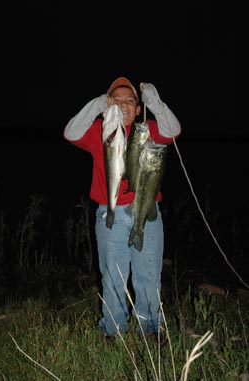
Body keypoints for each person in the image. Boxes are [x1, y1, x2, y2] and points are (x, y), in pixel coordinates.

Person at [63, 77, 181, 344]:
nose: (124, 105)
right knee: (113, 276)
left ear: (138, 109)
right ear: (109, 106)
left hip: (146, 212)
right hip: (110, 215)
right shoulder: (101, 131)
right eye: (116, 100)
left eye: (130, 101)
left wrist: (153, 100)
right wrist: (98, 105)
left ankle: (150, 325)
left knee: (148, 274)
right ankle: (113, 328)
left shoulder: (148, 130)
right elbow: (70, 132)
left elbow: (173, 129)